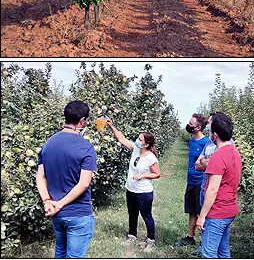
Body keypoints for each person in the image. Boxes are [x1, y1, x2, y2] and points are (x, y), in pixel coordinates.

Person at [36, 100, 97, 258]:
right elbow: (83, 184)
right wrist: (60, 204)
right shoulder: (86, 147)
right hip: (78, 214)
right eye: (87, 120)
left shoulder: (48, 144)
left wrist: (47, 201)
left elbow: (40, 177)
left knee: (60, 253)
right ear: (82, 121)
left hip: (57, 215)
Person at [107, 120, 161, 253]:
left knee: (146, 215)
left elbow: (157, 174)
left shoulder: (151, 158)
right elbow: (121, 138)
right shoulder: (136, 149)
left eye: (140, 139)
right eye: (138, 137)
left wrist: (142, 175)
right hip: (130, 189)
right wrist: (110, 125)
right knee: (132, 213)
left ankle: (151, 241)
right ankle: (132, 236)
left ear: (146, 144)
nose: (137, 140)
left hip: (144, 192)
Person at [196, 112, 242, 258]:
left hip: (217, 212)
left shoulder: (218, 156)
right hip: (229, 210)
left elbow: (213, 189)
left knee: (209, 254)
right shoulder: (235, 152)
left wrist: (202, 216)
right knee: (223, 252)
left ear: (214, 135)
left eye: (210, 131)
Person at [175, 113, 210, 248]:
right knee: (192, 211)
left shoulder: (206, 143)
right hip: (190, 182)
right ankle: (190, 237)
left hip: (200, 183)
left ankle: (204, 242)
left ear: (198, 127)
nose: (188, 125)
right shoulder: (192, 141)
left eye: (191, 123)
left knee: (202, 212)